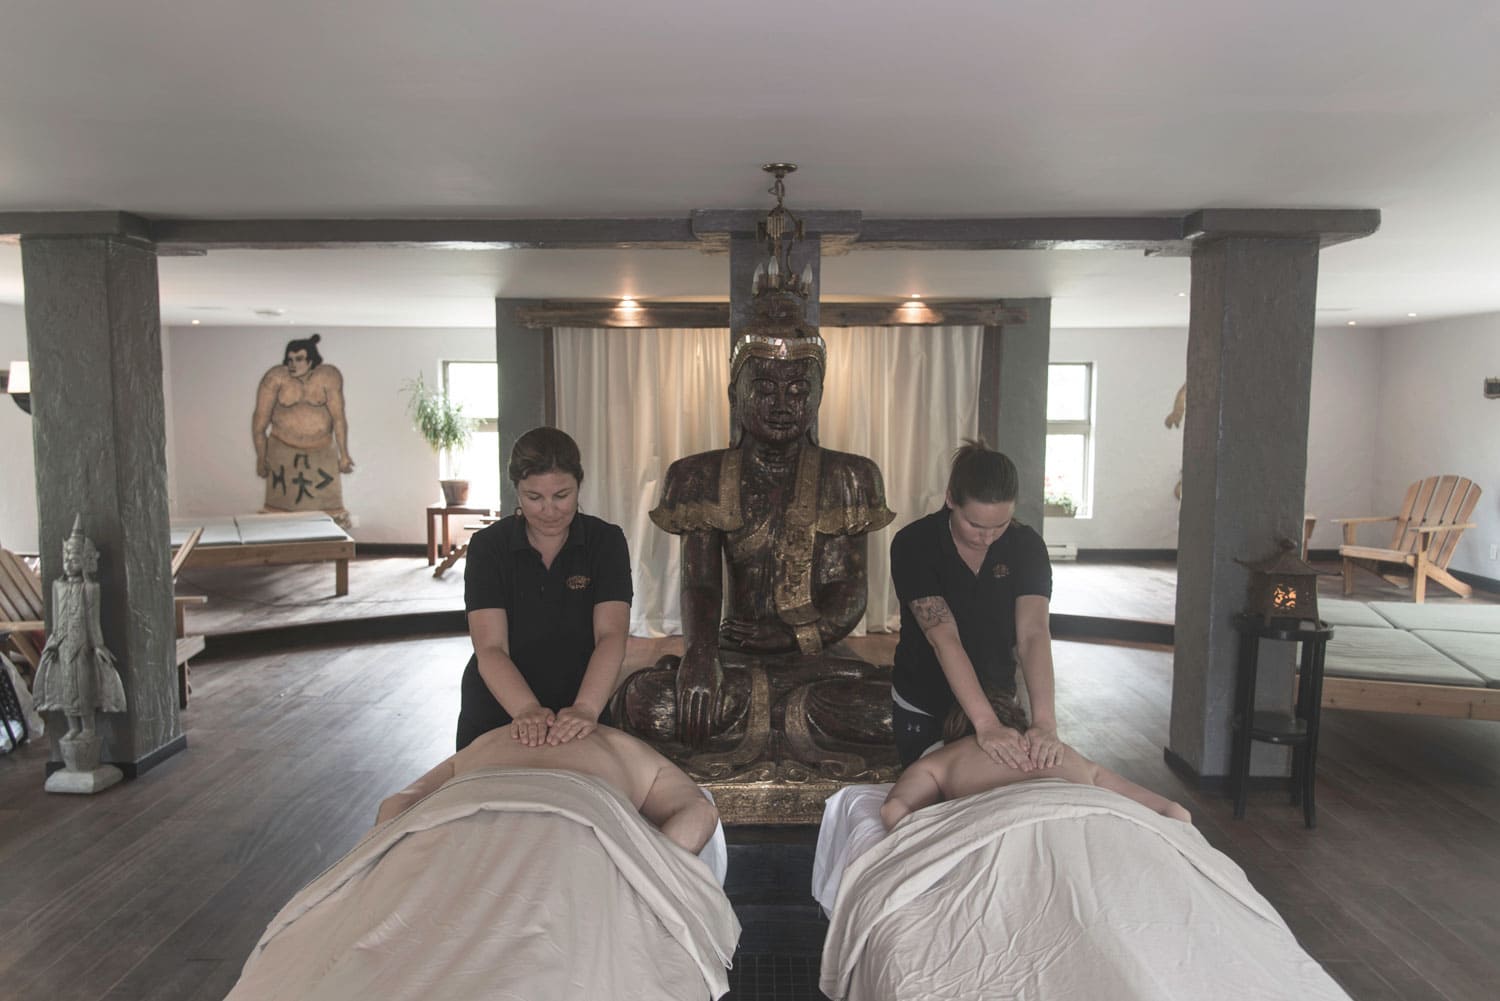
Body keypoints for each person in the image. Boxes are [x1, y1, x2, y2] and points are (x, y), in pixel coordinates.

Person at [456, 426, 632, 751]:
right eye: (534, 498)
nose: (549, 511)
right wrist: (525, 709)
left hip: (582, 699)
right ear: (516, 491)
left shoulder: (605, 541)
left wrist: (586, 708)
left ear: (579, 485)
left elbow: (611, 635)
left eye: (561, 496)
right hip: (501, 700)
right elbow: (491, 647)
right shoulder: (488, 546)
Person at [888, 440, 1061, 768]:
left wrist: (1044, 723)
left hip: (999, 698)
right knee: (932, 789)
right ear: (950, 499)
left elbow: (1033, 635)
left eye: (1000, 525)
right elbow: (943, 637)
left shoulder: (1026, 546)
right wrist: (986, 724)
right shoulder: (915, 544)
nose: (987, 537)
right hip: (925, 699)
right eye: (975, 525)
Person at [377, 723, 720, 853]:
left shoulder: (486, 742)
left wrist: (385, 867)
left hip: (463, 818)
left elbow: (396, 804)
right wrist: (658, 871)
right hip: (578, 824)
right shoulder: (624, 746)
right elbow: (699, 811)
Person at [879, 690, 1191, 830]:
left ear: (955, 733)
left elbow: (894, 810)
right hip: (1089, 824)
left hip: (999, 826)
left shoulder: (945, 758)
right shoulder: (1068, 755)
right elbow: (1175, 811)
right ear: (1020, 723)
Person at [251, 333, 355, 526]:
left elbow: (339, 419)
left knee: (329, 513)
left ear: (311, 361)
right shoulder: (275, 378)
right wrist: (261, 458)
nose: (293, 364)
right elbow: (259, 422)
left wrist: (344, 455)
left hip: (321, 452)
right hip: (282, 451)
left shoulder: (328, 377)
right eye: (290, 359)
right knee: (278, 516)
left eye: (299, 359)